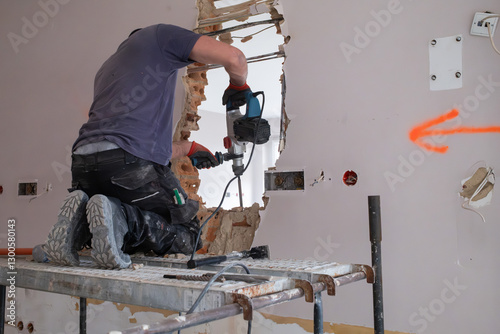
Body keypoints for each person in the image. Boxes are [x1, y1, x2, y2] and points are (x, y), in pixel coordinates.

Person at [42, 24, 252, 269]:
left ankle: (79, 225)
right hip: (129, 165)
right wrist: (239, 85)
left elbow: (126, 139)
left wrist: (187, 148)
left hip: (84, 166)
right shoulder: (160, 35)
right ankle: (121, 217)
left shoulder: (107, 68)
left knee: (111, 223)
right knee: (189, 233)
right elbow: (234, 57)